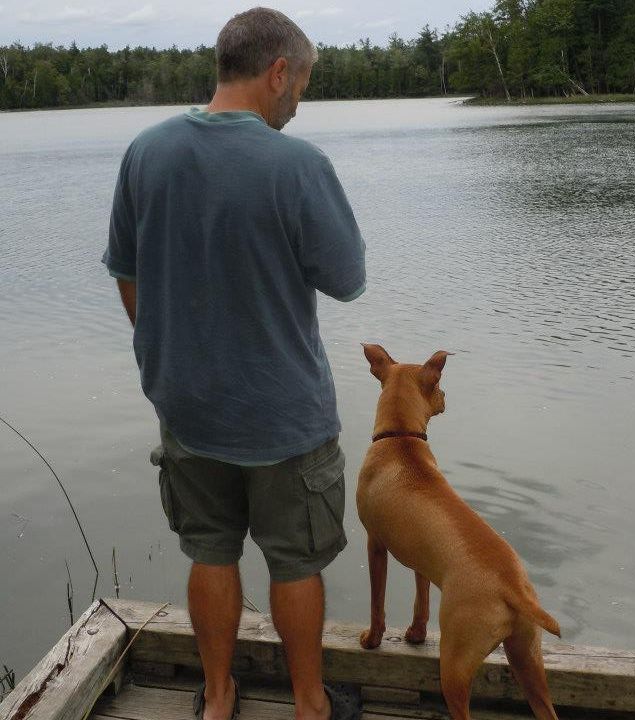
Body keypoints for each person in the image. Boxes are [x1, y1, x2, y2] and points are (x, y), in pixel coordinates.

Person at [102, 8, 366, 720]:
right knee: (297, 561)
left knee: (210, 553)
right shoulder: (300, 164)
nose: (299, 99)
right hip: (285, 414)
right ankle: (310, 703)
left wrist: (166, 351)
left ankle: (218, 699)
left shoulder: (145, 151)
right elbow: (346, 278)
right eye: (302, 83)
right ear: (278, 72)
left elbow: (125, 272)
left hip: (186, 406)